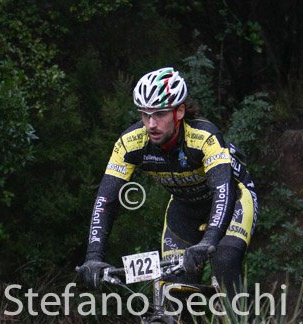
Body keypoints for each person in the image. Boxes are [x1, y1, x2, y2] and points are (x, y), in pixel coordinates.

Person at [77, 67, 258, 298]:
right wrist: (93, 256)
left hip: (233, 200)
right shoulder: (130, 143)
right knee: (174, 286)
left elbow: (222, 190)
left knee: (224, 260)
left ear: (179, 111)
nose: (151, 124)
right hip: (184, 209)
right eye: (145, 115)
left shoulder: (205, 136)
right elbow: (106, 200)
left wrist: (209, 241)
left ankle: (238, 321)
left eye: (160, 114)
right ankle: (183, 322)